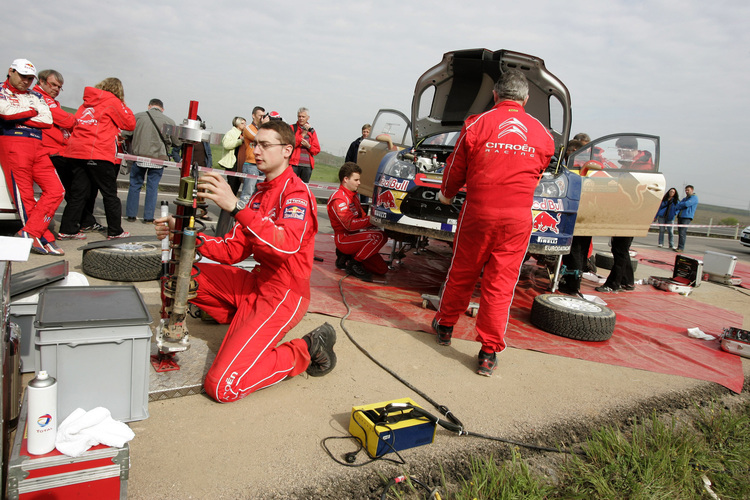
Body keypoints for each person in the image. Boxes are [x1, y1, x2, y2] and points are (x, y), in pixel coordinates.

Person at [154, 120, 336, 403]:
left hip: (283, 294)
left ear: (287, 150)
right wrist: (184, 236)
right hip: (256, 283)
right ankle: (243, 326)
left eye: (265, 144)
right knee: (177, 274)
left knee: (223, 387)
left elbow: (286, 245)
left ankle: (306, 348)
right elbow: (232, 250)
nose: (256, 150)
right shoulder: (260, 194)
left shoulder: (296, 193)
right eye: (254, 144)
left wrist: (236, 206)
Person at [432, 69, 555, 376]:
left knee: (463, 271)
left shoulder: (477, 124)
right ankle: (488, 353)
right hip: (517, 220)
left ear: (496, 95)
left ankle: (445, 326)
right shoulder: (541, 133)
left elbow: (455, 166)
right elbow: (540, 168)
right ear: (525, 99)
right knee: (501, 285)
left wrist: (446, 195)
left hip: (478, 214)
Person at [0, 58, 65, 255]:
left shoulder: (36, 96)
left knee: (57, 190)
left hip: (38, 145)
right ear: (11, 71)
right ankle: (43, 237)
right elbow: (6, 114)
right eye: (23, 76)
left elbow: (47, 119)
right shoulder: (1, 91)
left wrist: (21, 115)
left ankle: (29, 233)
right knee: (25, 196)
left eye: (30, 78)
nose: (26, 81)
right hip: (13, 142)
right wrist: (31, 113)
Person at [59, 77, 135, 239]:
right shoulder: (112, 101)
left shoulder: (86, 103)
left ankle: (68, 229)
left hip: (76, 151)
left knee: (78, 193)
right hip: (97, 152)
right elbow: (129, 124)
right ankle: (115, 231)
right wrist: (122, 104)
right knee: (109, 193)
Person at [34, 69, 103, 239]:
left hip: (59, 151)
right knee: (70, 190)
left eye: (60, 87)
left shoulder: (51, 101)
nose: (57, 89)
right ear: (41, 82)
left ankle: (84, 221)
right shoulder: (40, 98)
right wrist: (72, 121)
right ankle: (63, 228)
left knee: (76, 190)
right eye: (54, 85)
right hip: (51, 152)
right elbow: (65, 120)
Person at [327, 162, 388, 281]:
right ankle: (353, 264)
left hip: (357, 237)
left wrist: (376, 222)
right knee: (380, 237)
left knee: (382, 269)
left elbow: (362, 216)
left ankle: (349, 257)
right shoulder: (339, 199)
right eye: (356, 180)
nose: (359, 183)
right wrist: (374, 219)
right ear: (346, 179)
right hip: (344, 239)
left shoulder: (353, 196)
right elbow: (349, 225)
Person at [123, 99, 181, 223]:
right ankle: (148, 216)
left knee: (135, 185)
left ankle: (131, 215)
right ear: (162, 109)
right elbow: (177, 142)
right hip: (158, 159)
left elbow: (125, 134)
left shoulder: (137, 117)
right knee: (152, 187)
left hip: (138, 157)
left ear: (149, 106)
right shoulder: (169, 121)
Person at [239, 106, 265, 202]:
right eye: (260, 116)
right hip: (251, 164)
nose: (261, 118)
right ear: (253, 116)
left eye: (263, 116)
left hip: (262, 164)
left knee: (260, 193)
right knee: (248, 193)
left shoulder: (263, 129)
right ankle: (241, 214)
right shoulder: (248, 128)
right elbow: (259, 138)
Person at [289, 107, 320, 183]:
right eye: (299, 116)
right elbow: (290, 144)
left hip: (307, 165)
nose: (301, 119)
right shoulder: (292, 128)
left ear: (308, 118)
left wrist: (308, 146)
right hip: (294, 164)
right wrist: (302, 135)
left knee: (304, 188)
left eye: (303, 117)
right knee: (291, 185)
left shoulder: (312, 131)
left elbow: (317, 150)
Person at [673, 185, 698, 252]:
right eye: (686, 190)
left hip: (687, 217)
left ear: (692, 190)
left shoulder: (694, 198)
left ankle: (681, 247)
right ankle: (679, 247)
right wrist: (681, 204)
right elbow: (678, 206)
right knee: (680, 232)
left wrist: (681, 204)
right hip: (680, 216)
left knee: (682, 232)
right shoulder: (685, 198)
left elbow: (686, 204)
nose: (686, 191)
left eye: (688, 190)